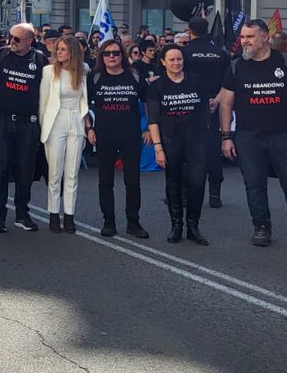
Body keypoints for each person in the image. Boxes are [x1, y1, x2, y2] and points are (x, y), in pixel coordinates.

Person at [218, 20, 287, 252]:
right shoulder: (236, 66)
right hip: (248, 136)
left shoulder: (286, 62)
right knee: (254, 184)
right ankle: (261, 227)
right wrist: (226, 136)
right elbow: (226, 102)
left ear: (265, 37)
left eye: (249, 37)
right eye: (243, 37)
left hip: (285, 135)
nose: (244, 41)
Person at [147, 45, 210, 245]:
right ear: (163, 62)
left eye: (179, 59)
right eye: (172, 60)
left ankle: (193, 226)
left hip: (196, 139)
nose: (176, 63)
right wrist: (158, 148)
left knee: (197, 183)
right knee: (173, 183)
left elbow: (204, 110)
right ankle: (176, 225)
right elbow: (153, 120)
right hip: (170, 140)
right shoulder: (157, 86)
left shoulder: (196, 81)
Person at [87, 38, 148, 239]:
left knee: (132, 181)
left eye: (115, 53)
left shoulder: (134, 76)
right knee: (105, 180)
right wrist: (89, 128)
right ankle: (109, 221)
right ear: (101, 57)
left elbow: (147, 102)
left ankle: (133, 222)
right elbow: (83, 105)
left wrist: (147, 128)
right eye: (107, 53)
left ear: (122, 55)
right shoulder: (94, 78)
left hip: (130, 135)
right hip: (104, 135)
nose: (111, 57)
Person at [0, 23, 46, 233]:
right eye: (10, 37)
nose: (11, 42)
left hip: (28, 123)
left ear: (30, 41)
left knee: (25, 169)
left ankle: (22, 213)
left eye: (17, 39)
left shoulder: (39, 59)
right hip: (4, 120)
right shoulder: (2, 54)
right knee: (0, 168)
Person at [39, 36, 91, 234]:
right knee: (55, 173)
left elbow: (84, 101)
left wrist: (86, 125)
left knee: (72, 173)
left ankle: (69, 215)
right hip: (55, 123)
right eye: (57, 49)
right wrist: (44, 128)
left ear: (72, 52)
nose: (58, 52)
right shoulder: (49, 71)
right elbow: (43, 103)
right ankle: (53, 213)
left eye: (62, 49)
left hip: (76, 122)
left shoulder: (83, 70)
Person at [181, 16, 230, 208]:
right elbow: (228, 81)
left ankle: (185, 194)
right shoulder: (220, 53)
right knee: (212, 150)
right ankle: (215, 195)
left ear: (189, 30)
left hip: (190, 107)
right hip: (214, 106)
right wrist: (217, 99)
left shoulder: (184, 53)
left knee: (188, 150)